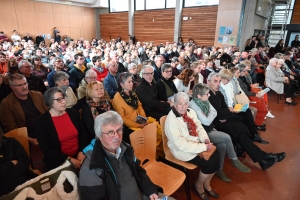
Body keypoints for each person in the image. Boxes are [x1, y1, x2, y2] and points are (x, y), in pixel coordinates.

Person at [79, 111, 170, 200]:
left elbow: (138, 170)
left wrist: (150, 189)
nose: (117, 136)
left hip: (144, 194)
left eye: (119, 130)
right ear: (99, 135)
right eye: (110, 132)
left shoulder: (126, 149)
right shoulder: (91, 167)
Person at [207, 72, 286, 170]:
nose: (218, 84)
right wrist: (225, 113)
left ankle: (263, 159)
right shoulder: (208, 94)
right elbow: (218, 113)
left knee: (240, 128)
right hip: (215, 123)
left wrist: (225, 113)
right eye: (215, 81)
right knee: (239, 126)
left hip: (224, 119)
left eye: (219, 81)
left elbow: (223, 109)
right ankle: (264, 158)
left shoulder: (218, 93)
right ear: (208, 82)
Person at [189, 83, 251, 183]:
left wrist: (208, 114)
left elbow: (214, 112)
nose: (209, 95)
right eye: (206, 94)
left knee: (222, 146)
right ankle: (234, 159)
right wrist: (209, 115)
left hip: (209, 128)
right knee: (226, 137)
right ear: (199, 96)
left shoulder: (204, 101)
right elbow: (206, 121)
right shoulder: (193, 105)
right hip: (201, 133)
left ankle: (220, 169)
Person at [165, 92, 220, 200]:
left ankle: (207, 184)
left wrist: (205, 139)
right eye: (180, 104)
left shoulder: (190, 112)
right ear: (174, 104)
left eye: (186, 103)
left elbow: (198, 127)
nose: (184, 107)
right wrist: (204, 147)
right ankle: (198, 185)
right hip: (181, 150)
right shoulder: (171, 121)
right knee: (210, 163)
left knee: (217, 156)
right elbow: (181, 145)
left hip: (196, 143)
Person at [35, 88, 88, 170]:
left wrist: (81, 151)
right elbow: (47, 149)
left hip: (80, 153)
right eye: (59, 99)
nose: (63, 101)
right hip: (59, 159)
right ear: (50, 102)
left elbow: (84, 133)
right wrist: (70, 159)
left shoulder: (72, 112)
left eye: (63, 98)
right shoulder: (42, 122)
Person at [0, 74, 47, 146]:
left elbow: (49, 113)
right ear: (12, 87)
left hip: (46, 130)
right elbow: (11, 129)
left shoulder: (38, 95)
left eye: (25, 83)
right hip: (28, 135)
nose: (24, 87)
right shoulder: (6, 103)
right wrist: (29, 140)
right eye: (19, 85)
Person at [0, 127, 38, 196]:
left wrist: (4, 173)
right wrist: (10, 164)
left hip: (23, 179)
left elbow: (24, 163)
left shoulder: (12, 142)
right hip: (4, 189)